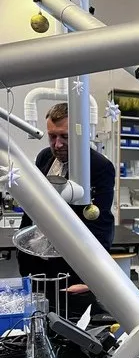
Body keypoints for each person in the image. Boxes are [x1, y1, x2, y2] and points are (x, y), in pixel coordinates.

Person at [17, 103, 115, 317]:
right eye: (52, 136)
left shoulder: (99, 167)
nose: (57, 144)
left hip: (71, 269)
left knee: (71, 322)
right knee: (38, 318)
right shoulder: (44, 157)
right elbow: (33, 207)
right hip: (36, 263)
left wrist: (94, 278)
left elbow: (101, 222)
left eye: (64, 136)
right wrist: (23, 253)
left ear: (80, 135)